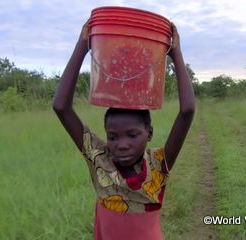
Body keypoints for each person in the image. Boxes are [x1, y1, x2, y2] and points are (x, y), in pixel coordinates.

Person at [53, 18, 195, 240]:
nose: (122, 145)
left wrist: (175, 54)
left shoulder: (158, 165)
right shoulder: (99, 157)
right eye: (113, 136)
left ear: (149, 133)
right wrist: (83, 45)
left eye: (132, 135)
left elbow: (187, 111)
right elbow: (61, 107)